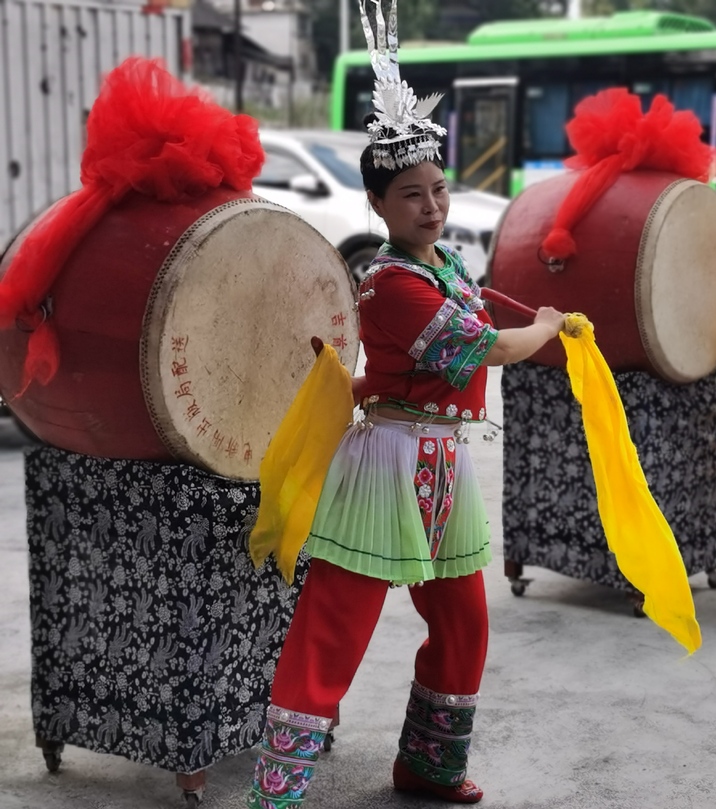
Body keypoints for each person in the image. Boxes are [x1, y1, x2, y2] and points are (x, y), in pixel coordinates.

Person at [246, 4, 564, 806]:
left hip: (446, 466)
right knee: (334, 632)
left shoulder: (449, 266)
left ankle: (428, 764)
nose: (432, 205)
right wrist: (548, 328)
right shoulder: (388, 282)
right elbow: (482, 347)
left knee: (463, 624)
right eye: (413, 195)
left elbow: (436, 353)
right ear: (380, 208)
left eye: (439, 189)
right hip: (386, 467)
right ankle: (277, 791)